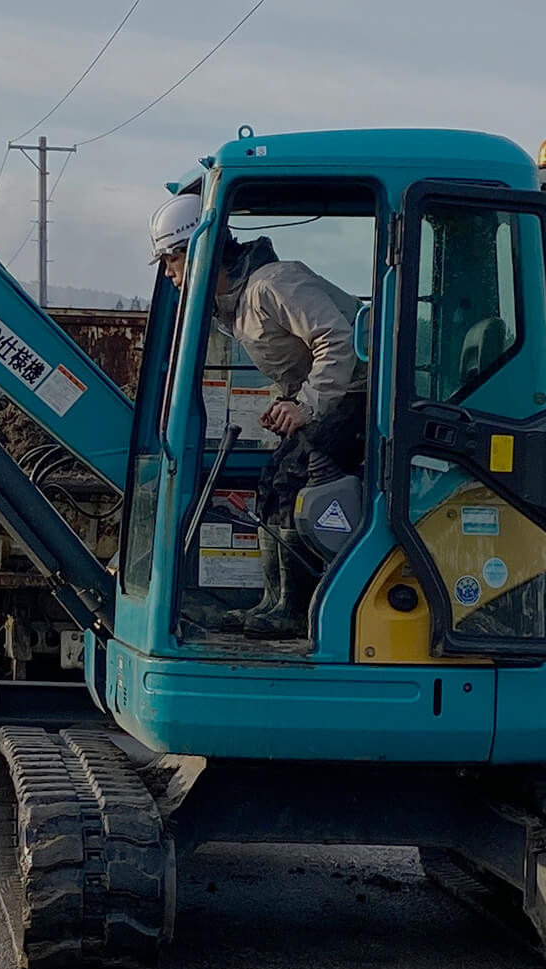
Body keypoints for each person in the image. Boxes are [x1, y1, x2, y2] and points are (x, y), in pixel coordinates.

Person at [150, 192, 368, 639]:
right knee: (270, 482)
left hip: (365, 393)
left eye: (171, 261)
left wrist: (305, 404)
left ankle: (295, 607)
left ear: (200, 253)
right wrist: (288, 401)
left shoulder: (274, 285)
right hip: (334, 396)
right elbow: (299, 360)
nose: (169, 274)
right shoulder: (236, 307)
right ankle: (273, 599)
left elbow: (337, 340)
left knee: (292, 479)